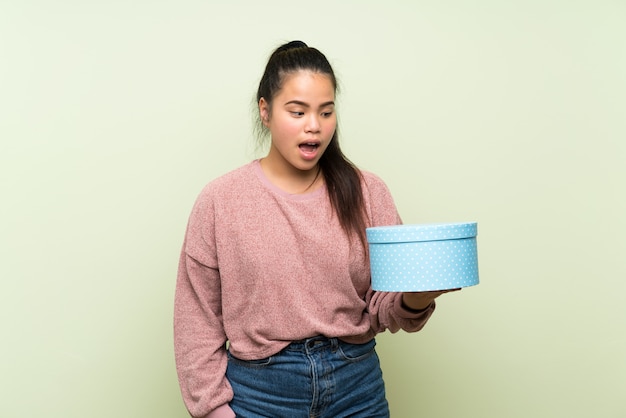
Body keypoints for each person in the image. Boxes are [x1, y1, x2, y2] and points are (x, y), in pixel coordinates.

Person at [174, 40, 456, 418]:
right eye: (298, 111)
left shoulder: (368, 191)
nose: (314, 126)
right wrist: (212, 411)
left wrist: (418, 297)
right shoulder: (220, 200)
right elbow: (197, 321)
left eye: (326, 112)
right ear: (265, 111)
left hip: (356, 387)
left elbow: (385, 308)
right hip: (259, 395)